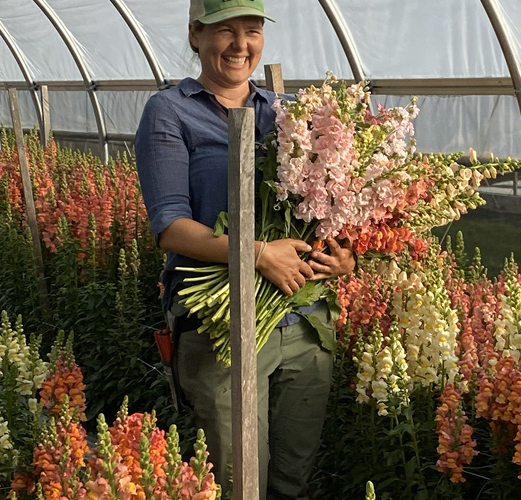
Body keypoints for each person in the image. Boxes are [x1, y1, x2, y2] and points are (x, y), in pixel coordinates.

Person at [133, 1, 355, 498]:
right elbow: (170, 227)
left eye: (252, 31)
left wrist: (344, 257)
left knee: (293, 481)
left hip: (304, 320)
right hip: (221, 328)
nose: (240, 45)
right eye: (225, 31)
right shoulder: (169, 111)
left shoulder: (290, 112)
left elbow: (325, 208)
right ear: (195, 35)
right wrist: (257, 253)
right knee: (237, 482)